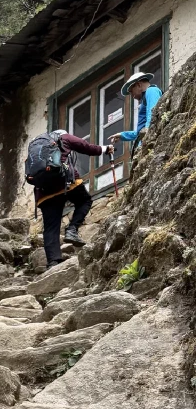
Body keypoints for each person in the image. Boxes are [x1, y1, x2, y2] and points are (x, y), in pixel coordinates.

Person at [35, 131, 113, 268]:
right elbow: (86, 147)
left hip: (43, 192)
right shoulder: (64, 137)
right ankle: (72, 230)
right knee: (85, 201)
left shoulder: (37, 146)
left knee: (51, 227)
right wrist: (106, 149)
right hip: (65, 182)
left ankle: (53, 262)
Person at [109, 71, 162, 149]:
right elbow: (139, 132)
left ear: (139, 85)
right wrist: (122, 135)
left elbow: (153, 114)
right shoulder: (146, 97)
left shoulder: (151, 91)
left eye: (131, 92)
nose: (132, 96)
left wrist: (147, 135)